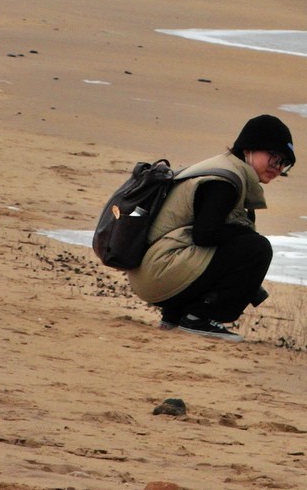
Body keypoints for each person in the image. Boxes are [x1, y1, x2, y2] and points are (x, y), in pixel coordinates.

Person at [126, 114, 297, 342]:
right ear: (250, 148)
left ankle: (175, 316)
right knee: (256, 248)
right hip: (157, 273)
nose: (277, 168)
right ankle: (200, 318)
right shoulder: (224, 181)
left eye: (284, 163)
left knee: (241, 244)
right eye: (274, 158)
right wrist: (246, 235)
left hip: (149, 272)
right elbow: (205, 234)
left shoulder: (223, 168)